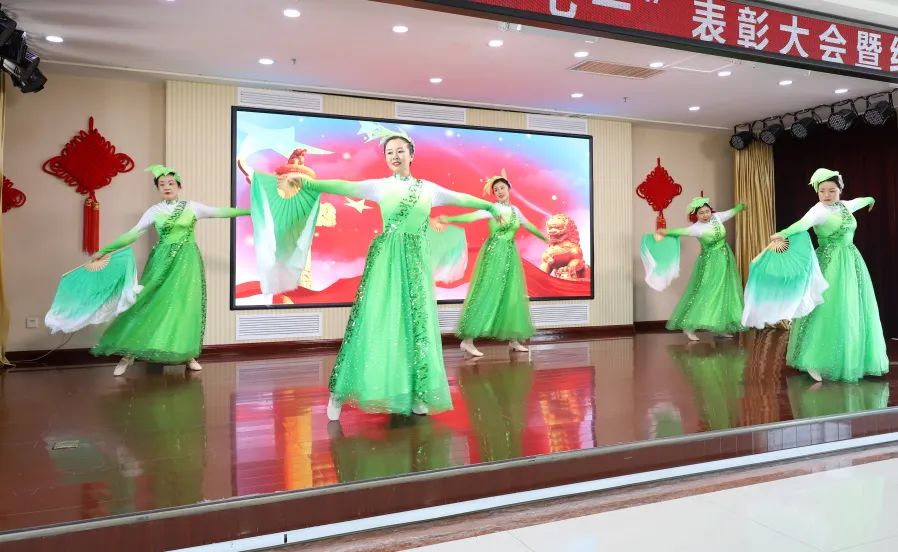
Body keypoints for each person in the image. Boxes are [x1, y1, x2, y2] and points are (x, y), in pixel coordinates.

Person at [253, 125, 502, 420]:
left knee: (417, 322)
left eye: (400, 151)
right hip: (387, 258)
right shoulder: (380, 186)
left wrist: (490, 206)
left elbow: (460, 199)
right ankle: (339, 394)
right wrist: (306, 183)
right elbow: (342, 186)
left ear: (411, 155)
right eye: (389, 152)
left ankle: (417, 393)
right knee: (376, 320)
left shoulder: (429, 189)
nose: (394, 156)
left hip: (417, 261)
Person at [90, 165, 250, 376]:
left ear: (179, 186)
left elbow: (221, 212)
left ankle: (188, 355)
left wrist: (250, 211)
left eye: (171, 183)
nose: (166, 187)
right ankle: (128, 354)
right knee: (145, 302)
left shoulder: (192, 207)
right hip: (161, 261)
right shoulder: (154, 211)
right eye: (162, 184)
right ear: (158, 188)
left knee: (184, 306)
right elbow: (132, 234)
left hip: (186, 263)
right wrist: (104, 251)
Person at [758, 168, 888, 382]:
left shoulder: (845, 206)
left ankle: (848, 359)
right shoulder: (818, 210)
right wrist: (783, 233)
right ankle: (813, 359)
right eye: (822, 191)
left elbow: (859, 201)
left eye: (832, 190)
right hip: (829, 264)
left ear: (840, 190)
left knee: (849, 309)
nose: (827, 195)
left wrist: (870, 199)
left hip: (851, 262)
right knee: (825, 309)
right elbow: (802, 224)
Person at [433, 170, 548, 357]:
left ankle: (513, 340)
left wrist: (545, 238)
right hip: (494, 253)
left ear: (509, 188)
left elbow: (528, 225)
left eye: (502, 188)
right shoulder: (492, 209)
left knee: (511, 295)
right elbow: (471, 217)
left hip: (510, 255)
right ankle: (467, 340)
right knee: (486, 292)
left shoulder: (515, 211)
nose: (499, 191)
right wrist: (450, 218)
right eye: (496, 190)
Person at [651, 197, 746, 341]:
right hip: (711, 263)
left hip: (725, 259)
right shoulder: (696, 228)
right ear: (695, 215)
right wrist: (665, 231)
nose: (705, 215)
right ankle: (689, 327)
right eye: (701, 213)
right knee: (707, 292)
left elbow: (731, 212)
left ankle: (720, 328)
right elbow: (680, 231)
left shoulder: (717, 217)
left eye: (707, 211)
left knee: (725, 291)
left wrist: (741, 207)